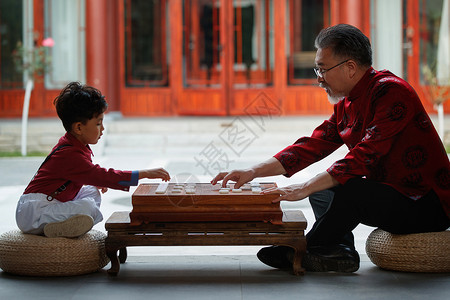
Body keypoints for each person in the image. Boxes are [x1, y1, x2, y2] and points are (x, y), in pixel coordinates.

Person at [212, 24, 450, 273]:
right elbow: (311, 146)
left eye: (323, 69)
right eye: (318, 69)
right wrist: (252, 171)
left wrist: (304, 187)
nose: (318, 78)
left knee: (349, 187)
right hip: (394, 194)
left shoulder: (391, 92)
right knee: (322, 189)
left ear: (350, 67)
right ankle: (340, 251)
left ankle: (301, 248)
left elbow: (365, 155)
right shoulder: (347, 103)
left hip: (426, 203)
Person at [16, 82, 171, 238]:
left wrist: (96, 181)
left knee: (92, 191)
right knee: (88, 207)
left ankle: (60, 226)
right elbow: (101, 175)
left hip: (49, 204)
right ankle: (55, 228)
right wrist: (144, 173)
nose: (102, 128)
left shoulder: (73, 144)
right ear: (78, 128)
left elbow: (86, 175)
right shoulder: (69, 154)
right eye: (98, 123)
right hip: (33, 213)